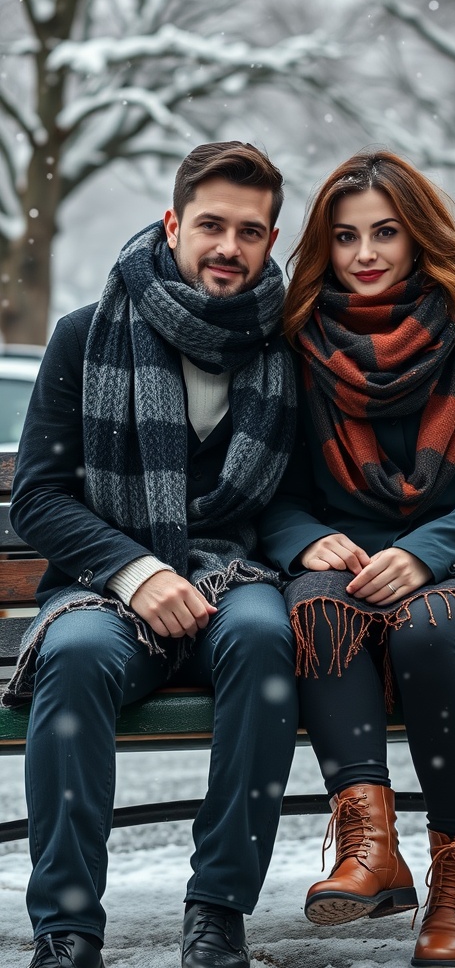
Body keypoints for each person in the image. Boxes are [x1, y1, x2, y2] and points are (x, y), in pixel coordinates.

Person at [3, 142, 299, 968]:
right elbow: (39, 498)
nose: (227, 248)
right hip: (104, 585)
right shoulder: (85, 335)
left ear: (271, 241)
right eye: (210, 224)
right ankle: (65, 927)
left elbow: (283, 502)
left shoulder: (284, 349)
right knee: (76, 656)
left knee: (267, 642)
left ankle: (217, 911)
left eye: (249, 231)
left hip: (233, 578)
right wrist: (139, 572)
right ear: (173, 224)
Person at [259, 150, 455, 966]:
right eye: (346, 236)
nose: (364, 254)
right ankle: (371, 850)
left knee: (425, 631)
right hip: (349, 569)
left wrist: (427, 552)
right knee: (315, 605)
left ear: (417, 235)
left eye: (385, 232)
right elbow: (274, 491)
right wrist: (300, 539)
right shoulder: (299, 342)